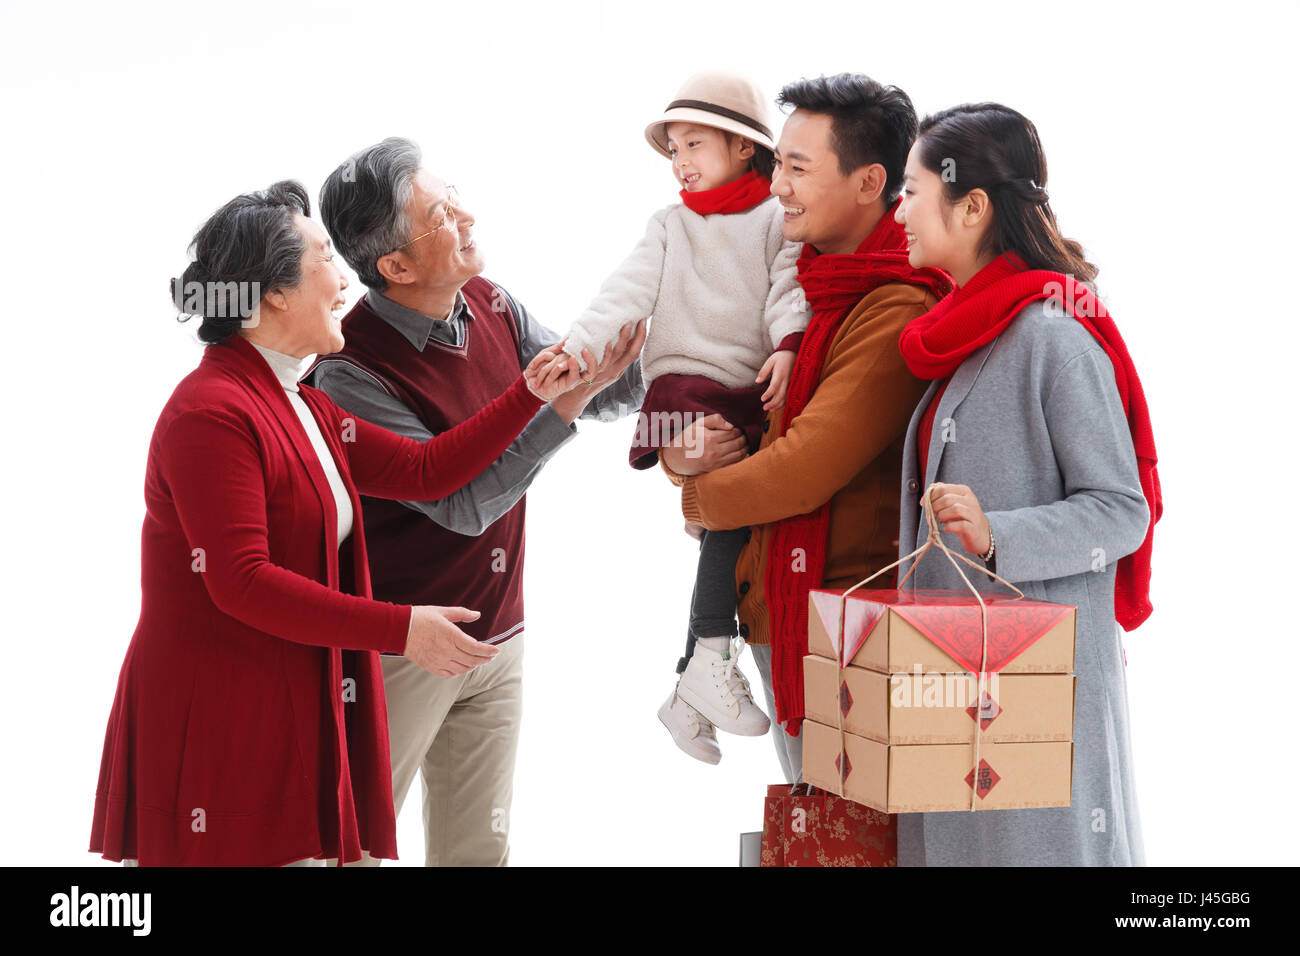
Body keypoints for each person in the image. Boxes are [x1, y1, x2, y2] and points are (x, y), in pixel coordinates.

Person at [88, 181, 589, 866]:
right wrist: (400, 627)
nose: (346, 277)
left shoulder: (301, 403)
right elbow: (240, 582)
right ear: (274, 296)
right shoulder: (211, 411)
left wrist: (532, 393)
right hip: (221, 716)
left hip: (288, 703)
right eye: (325, 257)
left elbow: (428, 471)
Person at [307, 138, 644, 866]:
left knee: (477, 852)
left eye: (452, 193)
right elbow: (462, 503)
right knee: (356, 849)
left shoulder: (491, 303)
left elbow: (601, 385)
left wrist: (687, 339)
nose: (466, 214)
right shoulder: (347, 374)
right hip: (400, 652)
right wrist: (559, 407)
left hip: (499, 637)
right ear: (394, 268)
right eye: (439, 214)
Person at [659, 74, 951, 795]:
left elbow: (799, 469)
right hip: (792, 616)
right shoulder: (812, 288)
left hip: (845, 629)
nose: (776, 184)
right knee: (821, 827)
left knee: (849, 830)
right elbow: (735, 415)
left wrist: (694, 498)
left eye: (796, 167)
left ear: (868, 182)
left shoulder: (891, 306)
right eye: (775, 162)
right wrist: (678, 453)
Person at [892, 102, 1160, 865]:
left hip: (1039, 688)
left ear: (972, 206)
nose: (899, 211)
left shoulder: (1054, 338)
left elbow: (1122, 512)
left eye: (912, 192)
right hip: (956, 677)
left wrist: (999, 534)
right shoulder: (964, 335)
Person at [553, 71, 810, 763]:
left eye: (695, 144)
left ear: (744, 148)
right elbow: (624, 291)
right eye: (673, 149)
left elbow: (790, 290)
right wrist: (576, 348)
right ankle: (710, 655)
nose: (681, 161)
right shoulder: (668, 225)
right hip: (680, 390)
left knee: (741, 522)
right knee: (729, 508)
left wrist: (788, 346)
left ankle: (691, 677)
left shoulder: (775, 222)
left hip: (746, 392)